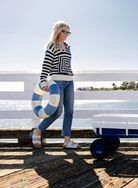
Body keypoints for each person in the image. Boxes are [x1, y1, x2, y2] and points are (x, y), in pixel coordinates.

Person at [31, 21, 80, 149]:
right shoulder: (51, 46)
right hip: (57, 83)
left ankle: (67, 141)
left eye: (68, 32)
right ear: (58, 31)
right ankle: (37, 131)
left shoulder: (68, 47)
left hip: (69, 82)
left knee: (69, 111)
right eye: (65, 31)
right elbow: (46, 65)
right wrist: (42, 81)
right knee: (57, 112)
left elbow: (67, 65)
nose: (67, 34)